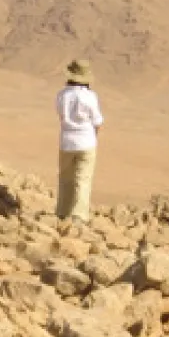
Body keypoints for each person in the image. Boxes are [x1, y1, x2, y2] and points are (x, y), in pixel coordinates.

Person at [55, 58, 103, 223]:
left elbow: (61, 116)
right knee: (83, 179)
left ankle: (62, 212)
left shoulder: (61, 95)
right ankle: (79, 216)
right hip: (86, 141)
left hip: (66, 141)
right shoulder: (90, 97)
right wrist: (93, 137)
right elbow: (97, 121)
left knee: (65, 177)